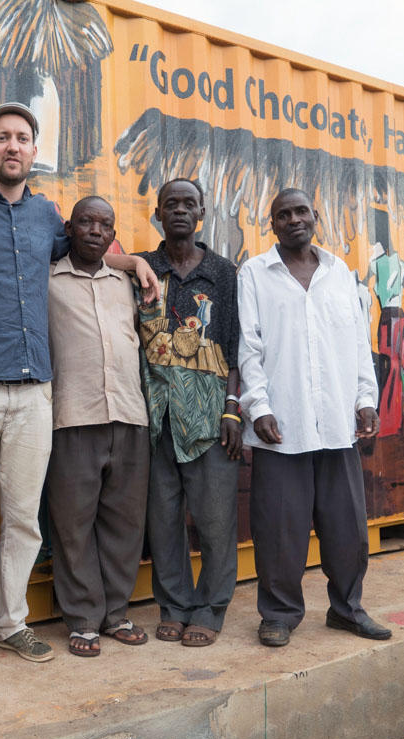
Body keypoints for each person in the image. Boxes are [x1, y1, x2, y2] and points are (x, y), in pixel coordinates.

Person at [0, 102, 158, 681]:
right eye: (3, 138)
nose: (13, 147)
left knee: (24, 519)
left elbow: (86, 251)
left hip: (33, 393)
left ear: (32, 149)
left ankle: (13, 623)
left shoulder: (49, 217)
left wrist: (133, 261)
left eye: (23, 138)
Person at [238, 188, 391, 648]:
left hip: (337, 425)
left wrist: (366, 398)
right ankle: (279, 615)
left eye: (300, 211)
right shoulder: (255, 274)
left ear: (316, 216)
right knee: (280, 530)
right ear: (273, 225)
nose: (293, 220)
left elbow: (358, 344)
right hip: (282, 426)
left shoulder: (340, 273)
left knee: (347, 527)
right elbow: (250, 346)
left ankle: (347, 609)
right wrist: (258, 407)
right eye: (282, 214)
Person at [137, 178, 243, 648]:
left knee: (215, 518)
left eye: (189, 204)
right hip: (156, 417)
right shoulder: (144, 269)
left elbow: (239, 349)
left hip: (208, 417)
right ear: (158, 212)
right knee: (163, 519)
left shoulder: (223, 273)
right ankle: (174, 605)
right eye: (170, 204)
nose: (180, 211)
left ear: (201, 214)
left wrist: (233, 411)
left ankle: (210, 607)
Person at [45, 197, 149, 658]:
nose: (95, 230)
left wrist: (131, 262)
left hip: (129, 414)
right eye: (85, 221)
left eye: (105, 224)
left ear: (113, 235)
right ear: (69, 228)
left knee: (124, 523)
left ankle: (116, 614)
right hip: (72, 416)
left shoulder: (127, 282)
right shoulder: (47, 280)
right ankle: (84, 618)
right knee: (73, 524)